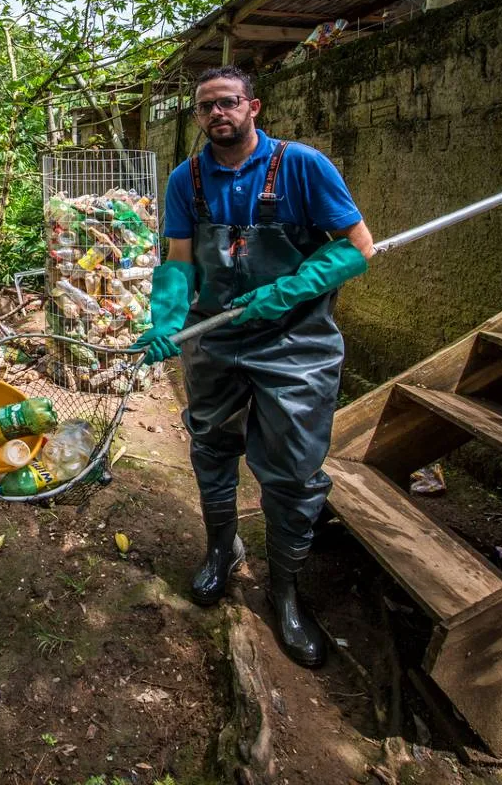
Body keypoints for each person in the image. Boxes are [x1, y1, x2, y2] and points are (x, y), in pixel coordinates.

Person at [135, 66, 375, 667]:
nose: (218, 113)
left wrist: (288, 290)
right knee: (211, 443)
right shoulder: (186, 180)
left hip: (296, 341)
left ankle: (287, 592)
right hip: (216, 337)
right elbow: (180, 259)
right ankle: (221, 550)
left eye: (229, 102)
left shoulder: (302, 166)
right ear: (197, 117)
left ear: (253, 107)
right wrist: (167, 317)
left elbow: (357, 246)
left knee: (292, 468)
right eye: (206, 107)